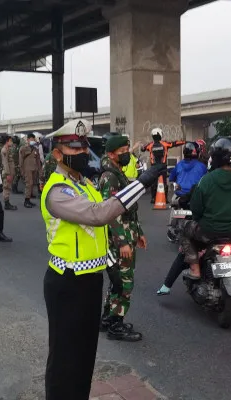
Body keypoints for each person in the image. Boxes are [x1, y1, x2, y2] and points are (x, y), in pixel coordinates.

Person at [40, 119, 165, 400]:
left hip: (89, 281)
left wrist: (109, 262)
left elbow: (100, 229)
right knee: (65, 357)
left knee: (84, 355)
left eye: (85, 146)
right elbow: (99, 214)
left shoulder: (83, 184)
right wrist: (143, 182)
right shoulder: (58, 190)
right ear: (58, 153)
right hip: (67, 282)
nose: (83, 152)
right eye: (75, 147)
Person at [159, 137, 231, 288]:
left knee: (185, 231)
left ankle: (195, 269)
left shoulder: (206, 180)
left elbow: (196, 210)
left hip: (209, 231)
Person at [98, 135, 147, 342]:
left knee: (118, 279)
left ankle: (109, 318)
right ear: (111, 154)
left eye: (127, 148)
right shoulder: (110, 177)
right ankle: (116, 325)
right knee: (125, 281)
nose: (127, 153)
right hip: (120, 239)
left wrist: (139, 232)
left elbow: (128, 207)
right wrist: (124, 242)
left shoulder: (118, 172)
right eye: (123, 150)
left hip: (127, 233)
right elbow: (112, 213)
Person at [140, 128, 186, 203]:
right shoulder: (164, 144)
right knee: (164, 183)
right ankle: (165, 199)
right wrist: (183, 142)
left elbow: (143, 149)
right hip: (163, 167)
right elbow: (174, 143)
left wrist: (142, 146)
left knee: (154, 183)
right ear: (160, 135)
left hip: (153, 167)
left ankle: (153, 198)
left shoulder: (150, 145)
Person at [19, 132, 43, 208]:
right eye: (31, 139)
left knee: (32, 184)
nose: (32, 140)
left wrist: (40, 170)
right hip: (27, 169)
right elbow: (21, 160)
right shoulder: (24, 148)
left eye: (33, 139)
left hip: (34, 169)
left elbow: (38, 160)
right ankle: (26, 201)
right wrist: (21, 170)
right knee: (28, 184)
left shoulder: (36, 148)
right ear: (28, 139)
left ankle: (29, 199)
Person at [0, 135, 18, 211]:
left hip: (10, 171)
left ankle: (7, 203)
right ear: (7, 141)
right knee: (6, 187)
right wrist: (8, 174)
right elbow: (5, 163)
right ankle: (7, 204)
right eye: (10, 141)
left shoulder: (8, 149)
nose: (12, 142)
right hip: (7, 172)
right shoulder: (4, 150)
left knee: (8, 187)